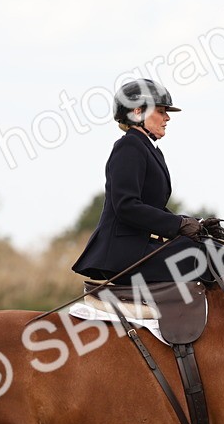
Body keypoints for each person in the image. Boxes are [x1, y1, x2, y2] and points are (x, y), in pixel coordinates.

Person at [71, 79, 205, 285]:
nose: (167, 117)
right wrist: (179, 224)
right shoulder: (129, 146)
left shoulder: (147, 148)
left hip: (138, 248)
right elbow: (127, 206)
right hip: (123, 254)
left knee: (213, 247)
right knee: (210, 256)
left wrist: (196, 224)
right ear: (137, 112)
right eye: (161, 111)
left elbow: (151, 208)